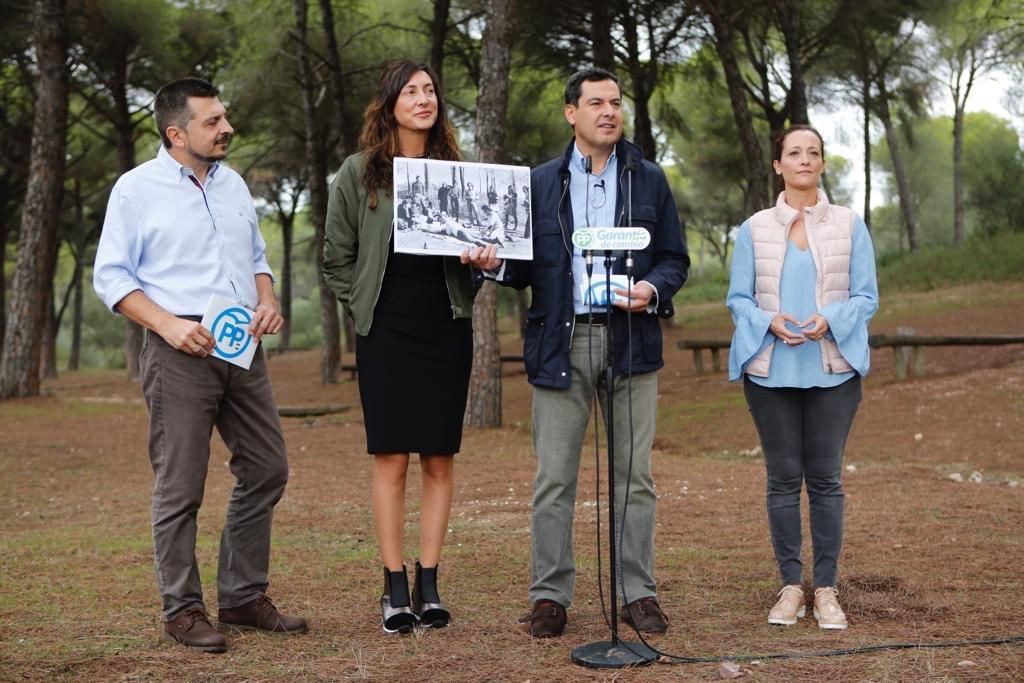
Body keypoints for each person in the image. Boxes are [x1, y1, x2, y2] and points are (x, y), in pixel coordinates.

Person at [463, 67, 689, 638]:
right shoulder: (538, 183)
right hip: (561, 342)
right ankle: (549, 596)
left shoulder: (649, 180)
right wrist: (494, 263)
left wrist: (653, 289)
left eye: (616, 102)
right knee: (554, 479)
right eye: (595, 103)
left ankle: (637, 592)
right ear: (571, 113)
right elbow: (521, 267)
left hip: (631, 341)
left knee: (634, 477)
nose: (609, 112)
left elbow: (674, 259)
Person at [92, 77, 306, 653]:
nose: (226, 128)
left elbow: (256, 258)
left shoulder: (234, 184)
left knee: (266, 468)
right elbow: (111, 277)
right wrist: (167, 324)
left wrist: (267, 299)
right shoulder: (136, 190)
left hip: (242, 349)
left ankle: (241, 595)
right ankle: (183, 609)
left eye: (225, 118)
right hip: (178, 349)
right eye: (213, 122)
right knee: (181, 485)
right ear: (176, 132)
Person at [323, 59, 478, 635]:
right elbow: (335, 259)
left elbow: (479, 256)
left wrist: (481, 262)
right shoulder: (358, 172)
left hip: (446, 326)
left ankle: (429, 582)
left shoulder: (458, 172)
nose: (423, 98)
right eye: (411, 91)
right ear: (389, 103)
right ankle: (392, 587)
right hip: (385, 332)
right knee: (391, 459)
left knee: (439, 457)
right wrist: (365, 306)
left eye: (431, 89)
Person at [726, 124, 878, 630]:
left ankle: (827, 590)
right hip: (770, 373)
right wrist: (768, 321)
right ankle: (792, 587)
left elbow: (866, 297)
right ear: (779, 165)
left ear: (822, 164)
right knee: (783, 481)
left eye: (813, 153)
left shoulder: (850, 225)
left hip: (833, 372)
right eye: (795, 153)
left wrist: (830, 319)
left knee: (827, 481)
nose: (805, 160)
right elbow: (738, 300)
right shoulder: (753, 229)